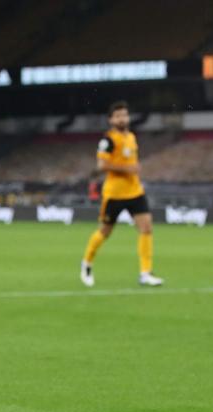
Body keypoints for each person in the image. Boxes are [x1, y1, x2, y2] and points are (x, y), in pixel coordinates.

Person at [80, 101, 163, 287]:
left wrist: (131, 170)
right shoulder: (107, 141)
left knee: (146, 228)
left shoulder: (132, 137)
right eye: (118, 116)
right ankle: (86, 262)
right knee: (105, 232)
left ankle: (145, 272)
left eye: (124, 115)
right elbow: (101, 166)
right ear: (111, 120)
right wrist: (128, 169)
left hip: (135, 191)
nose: (122, 118)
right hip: (114, 194)